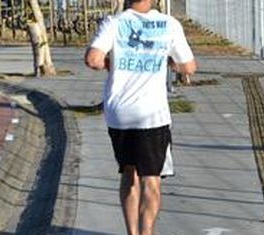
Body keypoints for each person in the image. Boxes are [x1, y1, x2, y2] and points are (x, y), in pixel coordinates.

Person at [83, 0, 196, 234]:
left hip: (119, 113)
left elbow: (92, 59)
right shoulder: (169, 24)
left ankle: (132, 232)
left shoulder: (114, 23)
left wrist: (112, 64)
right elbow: (189, 67)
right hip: (151, 114)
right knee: (151, 178)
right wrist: (169, 62)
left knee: (128, 173)